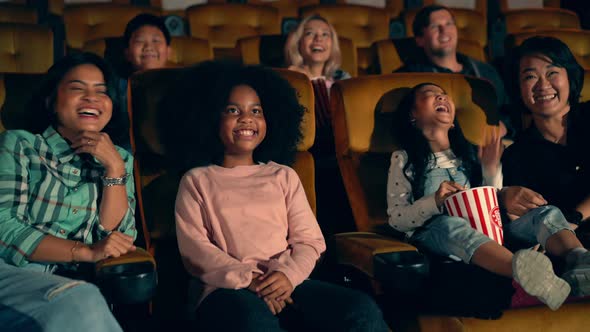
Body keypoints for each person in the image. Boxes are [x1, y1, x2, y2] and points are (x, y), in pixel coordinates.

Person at [160, 62, 389, 331]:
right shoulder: (197, 180)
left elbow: (310, 241)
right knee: (254, 321)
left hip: (287, 281)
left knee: (361, 309)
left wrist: (287, 276)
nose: (247, 118)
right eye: (233, 110)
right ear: (210, 118)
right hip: (225, 289)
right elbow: (196, 251)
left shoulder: (283, 176)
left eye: (256, 110)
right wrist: (252, 281)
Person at [386, 82, 590, 310]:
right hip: (436, 237)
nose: (441, 97)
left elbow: (490, 205)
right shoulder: (404, 160)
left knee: (546, 212)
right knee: (449, 223)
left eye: (444, 94)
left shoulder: (469, 156)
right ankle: (524, 272)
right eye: (429, 94)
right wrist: (434, 202)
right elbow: (397, 219)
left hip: (489, 232)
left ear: (453, 122)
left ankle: (580, 261)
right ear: (412, 115)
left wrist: (491, 170)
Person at [0, 53, 137, 331]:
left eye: (101, 91)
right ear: (51, 100)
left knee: (83, 300)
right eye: (77, 88)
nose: (92, 98)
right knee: (81, 300)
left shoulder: (120, 158)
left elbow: (120, 236)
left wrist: (113, 169)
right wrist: (85, 252)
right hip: (10, 273)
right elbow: (4, 228)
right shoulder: (20, 144)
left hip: (76, 285)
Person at [503, 36, 590, 234]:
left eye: (552, 73)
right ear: (518, 88)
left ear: (570, 77)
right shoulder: (517, 156)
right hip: (569, 249)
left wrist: (573, 219)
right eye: (530, 77)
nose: (543, 85)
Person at [284, 14, 355, 237]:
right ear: (298, 43)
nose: (318, 39)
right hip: (306, 152)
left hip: (339, 151)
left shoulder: (344, 79)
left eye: (325, 35)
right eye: (310, 33)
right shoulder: (287, 78)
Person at [395, 5, 512, 136]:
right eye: (434, 26)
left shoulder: (486, 71)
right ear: (420, 39)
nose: (444, 30)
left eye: (449, 24)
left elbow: (506, 111)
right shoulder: (407, 77)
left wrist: (503, 126)